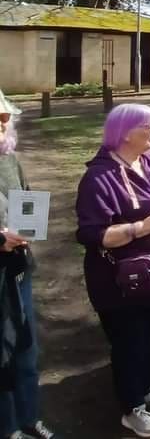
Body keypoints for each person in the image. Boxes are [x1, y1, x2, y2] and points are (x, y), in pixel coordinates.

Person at [76, 104, 150, 438]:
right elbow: (94, 235)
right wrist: (142, 226)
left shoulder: (149, 162)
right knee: (130, 342)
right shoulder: (99, 178)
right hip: (123, 283)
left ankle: (147, 384)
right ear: (125, 133)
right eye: (149, 128)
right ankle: (131, 407)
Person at [0, 90, 58, 439]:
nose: (3, 122)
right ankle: (8, 429)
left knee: (25, 347)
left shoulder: (9, 159)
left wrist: (28, 225)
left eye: (5, 116)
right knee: (2, 354)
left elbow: (25, 197)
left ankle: (29, 417)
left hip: (18, 266)